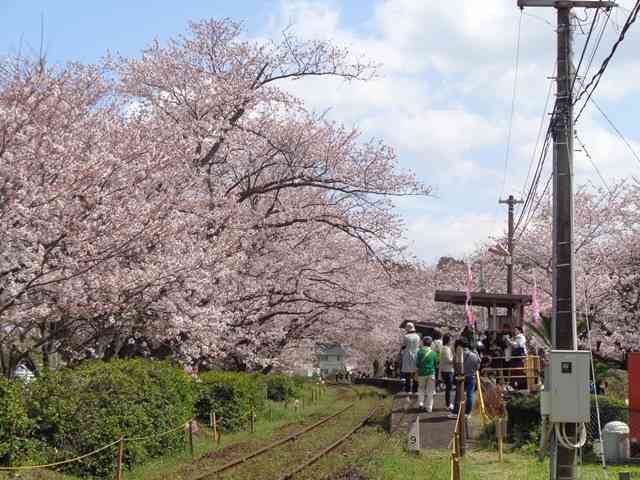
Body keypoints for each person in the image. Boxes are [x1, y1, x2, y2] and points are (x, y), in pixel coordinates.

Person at [449, 339, 481, 419]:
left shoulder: (458, 354)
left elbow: (454, 366)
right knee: (470, 395)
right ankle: (468, 413)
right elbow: (478, 366)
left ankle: (456, 412)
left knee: (458, 395)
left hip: (461, 376)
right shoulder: (474, 354)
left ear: (460, 346)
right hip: (471, 376)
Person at [416, 336, 438, 412]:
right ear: (431, 343)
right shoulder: (433, 353)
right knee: (430, 391)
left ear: (423, 343)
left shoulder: (419, 352)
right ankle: (429, 408)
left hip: (421, 373)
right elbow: (436, 364)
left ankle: (420, 403)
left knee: (421, 388)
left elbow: (417, 364)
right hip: (431, 373)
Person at [401, 322, 421, 393]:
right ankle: (415, 389)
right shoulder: (418, 336)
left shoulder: (406, 337)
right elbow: (419, 345)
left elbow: (403, 346)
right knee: (415, 372)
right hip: (416, 354)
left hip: (407, 354)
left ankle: (407, 390)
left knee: (408, 374)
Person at [439, 334, 455, 411]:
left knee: (449, 388)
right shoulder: (445, 349)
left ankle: (448, 403)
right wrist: (455, 358)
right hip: (447, 371)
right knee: (448, 389)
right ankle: (448, 404)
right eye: (451, 339)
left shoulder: (446, 348)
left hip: (446, 370)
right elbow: (448, 360)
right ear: (448, 340)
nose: (451, 341)